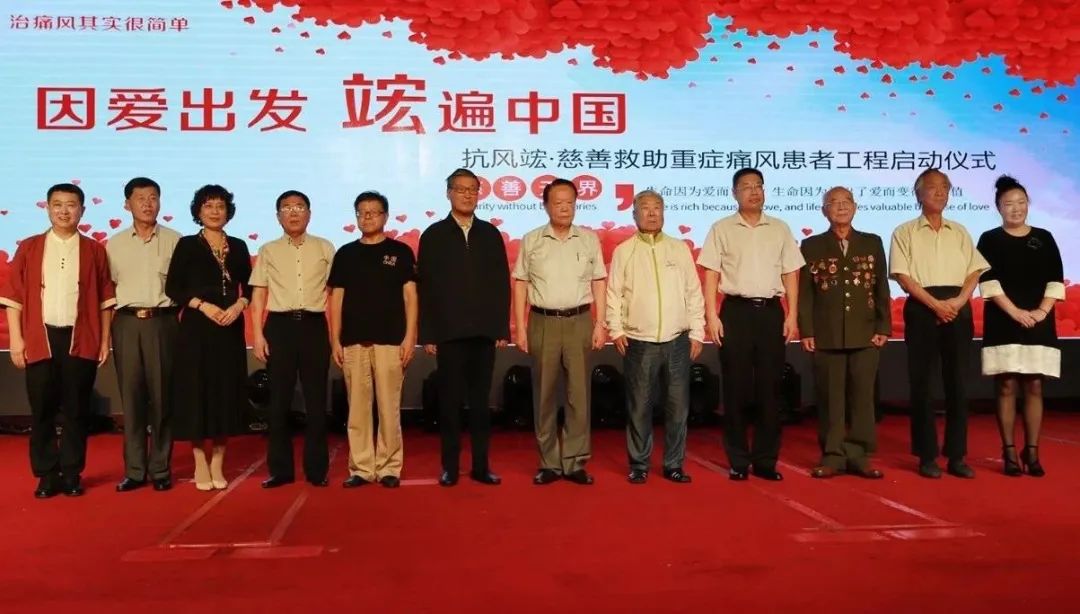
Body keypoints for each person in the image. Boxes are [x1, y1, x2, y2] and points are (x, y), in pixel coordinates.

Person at [0, 183, 116, 498]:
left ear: (82, 210)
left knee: (77, 409)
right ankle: (47, 474)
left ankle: (72, 473)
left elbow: (106, 299)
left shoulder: (94, 249)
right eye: (58, 204)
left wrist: (104, 339)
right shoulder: (30, 247)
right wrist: (17, 340)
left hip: (81, 337)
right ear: (47, 208)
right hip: (40, 337)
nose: (64, 211)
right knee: (42, 409)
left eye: (71, 205)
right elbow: (13, 297)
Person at [698, 168, 804, 481]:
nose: (754, 191)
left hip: (771, 312)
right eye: (746, 186)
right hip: (735, 312)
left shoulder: (779, 228)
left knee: (771, 389)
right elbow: (712, 273)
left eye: (758, 186)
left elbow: (790, 273)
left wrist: (792, 314)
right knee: (736, 388)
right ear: (734, 193)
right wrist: (711, 315)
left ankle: (766, 460)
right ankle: (738, 460)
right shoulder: (722, 228)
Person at [890, 168, 989, 479]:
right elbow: (903, 277)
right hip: (922, 308)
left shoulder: (959, 231)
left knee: (958, 383)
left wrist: (958, 302)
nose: (940, 192)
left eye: (945, 187)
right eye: (933, 187)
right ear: (918, 194)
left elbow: (975, 271)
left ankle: (957, 456)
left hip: (957, 307)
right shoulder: (904, 231)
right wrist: (935, 305)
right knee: (923, 384)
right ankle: (927, 455)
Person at [418, 168, 510, 487]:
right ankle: (450, 467)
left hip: (483, 333)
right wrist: (428, 334)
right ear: (448, 193)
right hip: (448, 333)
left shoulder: (490, 234)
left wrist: (501, 328)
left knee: (481, 404)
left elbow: (501, 283)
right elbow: (426, 288)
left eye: (473, 189)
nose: (468, 194)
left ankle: (482, 467)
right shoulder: (433, 235)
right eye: (461, 189)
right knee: (450, 404)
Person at [512, 178, 607, 486]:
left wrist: (601, 323)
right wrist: (520, 327)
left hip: (580, 320)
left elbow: (598, 281)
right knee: (544, 394)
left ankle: (575, 461)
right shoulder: (532, 240)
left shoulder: (588, 239)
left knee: (579, 394)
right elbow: (521, 284)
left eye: (570, 203)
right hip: (542, 321)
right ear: (545, 206)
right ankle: (549, 463)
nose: (565, 208)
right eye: (558, 203)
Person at [606, 189, 705, 484]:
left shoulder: (679, 248)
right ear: (634, 214)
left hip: (677, 340)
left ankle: (674, 464)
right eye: (645, 208)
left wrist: (697, 331)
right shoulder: (625, 250)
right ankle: (639, 464)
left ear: (664, 212)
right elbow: (614, 293)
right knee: (639, 406)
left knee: (677, 407)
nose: (651, 213)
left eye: (657, 207)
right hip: (639, 340)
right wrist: (616, 329)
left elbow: (693, 291)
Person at [798, 187, 891, 479]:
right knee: (831, 399)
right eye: (833, 203)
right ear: (824, 211)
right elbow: (805, 293)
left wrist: (883, 326)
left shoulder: (872, 242)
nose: (840, 207)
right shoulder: (811, 245)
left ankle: (859, 455)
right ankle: (833, 455)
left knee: (863, 398)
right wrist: (806, 330)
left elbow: (881, 287)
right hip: (826, 334)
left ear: (855, 206)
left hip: (865, 333)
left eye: (846, 202)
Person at [165, 185, 252, 491]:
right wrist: (203, 306)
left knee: (224, 392)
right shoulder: (187, 245)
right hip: (197, 329)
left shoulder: (238, 246)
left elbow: (250, 286)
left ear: (228, 211)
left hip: (229, 328)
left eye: (220, 205)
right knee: (196, 392)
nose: (215, 211)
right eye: (208, 206)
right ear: (198, 212)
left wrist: (239, 306)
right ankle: (200, 460)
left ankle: (218, 461)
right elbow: (173, 288)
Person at [977, 175, 1064, 477]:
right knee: (1006, 384)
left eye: (1021, 202)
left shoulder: (1044, 237)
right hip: (1003, 320)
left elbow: (1055, 280)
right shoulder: (989, 239)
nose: (1016, 209)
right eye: (1009, 204)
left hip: (1039, 320)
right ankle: (1010, 451)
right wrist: (1015, 312)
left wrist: (1041, 312)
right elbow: (987, 281)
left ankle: (1033, 451)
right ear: (998, 207)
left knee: (1034, 384)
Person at [329, 191, 417, 489]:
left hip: (391, 342)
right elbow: (336, 299)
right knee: (357, 408)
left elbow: (410, 298)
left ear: (385, 216)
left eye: (373, 212)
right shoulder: (345, 254)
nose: (367, 217)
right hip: (353, 342)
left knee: (389, 408)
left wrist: (410, 337)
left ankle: (389, 466)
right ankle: (362, 467)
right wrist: (335, 340)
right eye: (361, 212)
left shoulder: (401, 252)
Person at [250, 190, 335, 488]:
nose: (293, 212)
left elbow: (335, 293)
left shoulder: (325, 247)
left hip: (313, 326)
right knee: (278, 403)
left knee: (316, 402)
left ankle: (317, 470)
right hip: (279, 327)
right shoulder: (268, 250)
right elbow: (258, 294)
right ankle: (281, 470)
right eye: (286, 208)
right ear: (278, 217)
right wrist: (257, 335)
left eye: (299, 207)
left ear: (309, 214)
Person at [108, 177, 181, 492]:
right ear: (127, 205)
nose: (148, 204)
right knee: (132, 398)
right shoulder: (114, 244)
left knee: (163, 398)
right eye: (140, 198)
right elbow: (107, 290)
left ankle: (160, 469)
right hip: (126, 323)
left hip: (164, 323)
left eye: (153, 197)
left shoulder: (176, 241)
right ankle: (135, 470)